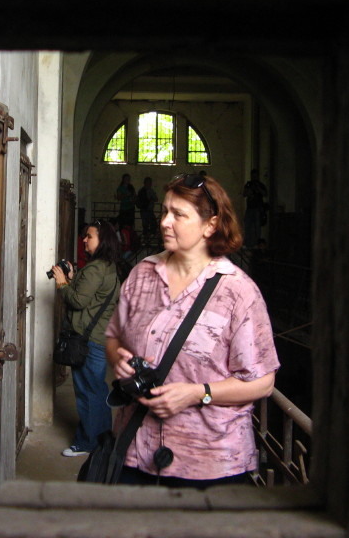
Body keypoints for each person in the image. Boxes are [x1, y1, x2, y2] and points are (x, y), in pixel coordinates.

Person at [105, 173, 279, 488]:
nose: (165, 222)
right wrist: (119, 359)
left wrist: (198, 393)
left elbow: (263, 382)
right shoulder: (142, 275)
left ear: (210, 225)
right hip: (135, 450)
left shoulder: (238, 292)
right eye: (164, 211)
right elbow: (113, 336)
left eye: (179, 214)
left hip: (210, 464)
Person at [51, 219, 121, 457]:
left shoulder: (95, 268)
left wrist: (62, 284)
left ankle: (87, 442)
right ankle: (103, 439)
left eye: (89, 236)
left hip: (87, 340)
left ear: (102, 240)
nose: (84, 240)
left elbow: (78, 301)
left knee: (87, 393)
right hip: (98, 337)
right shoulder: (108, 266)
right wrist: (72, 279)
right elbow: (90, 298)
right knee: (97, 391)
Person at [242, 169, 268, 248]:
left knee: (257, 227)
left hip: (257, 208)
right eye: (253, 175)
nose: (254, 177)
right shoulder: (249, 184)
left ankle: (257, 243)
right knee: (247, 225)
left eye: (255, 175)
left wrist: (258, 188)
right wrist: (249, 191)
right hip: (250, 208)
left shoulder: (260, 185)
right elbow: (244, 194)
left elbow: (265, 194)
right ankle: (247, 243)